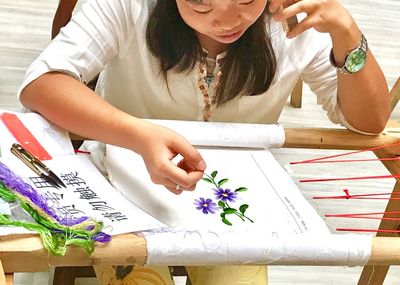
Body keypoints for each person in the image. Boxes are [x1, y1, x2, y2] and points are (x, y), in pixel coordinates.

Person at [18, 0, 391, 284]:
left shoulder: (290, 20)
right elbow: (43, 84)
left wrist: (346, 33)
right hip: (126, 180)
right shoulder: (129, 6)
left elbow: (367, 121)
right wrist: (138, 134)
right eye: (200, 1)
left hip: (239, 194)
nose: (227, 20)